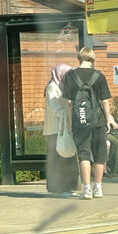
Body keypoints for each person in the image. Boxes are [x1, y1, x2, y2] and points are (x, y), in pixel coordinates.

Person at [62, 47, 118, 200]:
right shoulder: (99, 76)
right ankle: (98, 188)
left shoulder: (70, 76)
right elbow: (105, 102)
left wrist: (70, 124)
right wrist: (108, 120)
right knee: (100, 155)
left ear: (78, 58)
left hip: (80, 121)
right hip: (98, 121)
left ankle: (87, 189)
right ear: (93, 59)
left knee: (84, 155)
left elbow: (69, 103)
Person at [43, 63, 78, 196]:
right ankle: (57, 189)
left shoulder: (62, 86)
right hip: (55, 130)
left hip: (63, 128)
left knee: (67, 157)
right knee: (56, 160)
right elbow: (54, 108)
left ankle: (67, 187)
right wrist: (68, 112)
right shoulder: (52, 88)